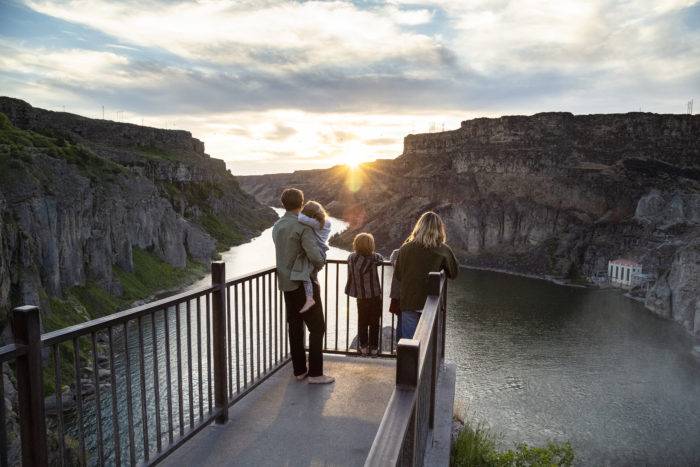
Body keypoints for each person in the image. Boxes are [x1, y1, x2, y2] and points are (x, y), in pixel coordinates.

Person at [272, 188, 334, 384]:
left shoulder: (278, 225)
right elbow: (315, 256)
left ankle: (299, 370)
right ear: (302, 202)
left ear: (284, 204)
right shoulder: (302, 226)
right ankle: (316, 374)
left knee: (295, 326)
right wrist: (321, 260)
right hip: (303, 283)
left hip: (286, 284)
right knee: (317, 328)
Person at [393, 211, 458, 339]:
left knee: (409, 344)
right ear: (439, 230)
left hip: (409, 301)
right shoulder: (444, 250)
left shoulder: (405, 248)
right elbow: (454, 273)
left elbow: (399, 275)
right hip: (431, 304)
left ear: (419, 227)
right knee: (428, 346)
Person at [345, 233, 383, 356]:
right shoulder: (374, 258)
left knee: (362, 321)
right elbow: (380, 258)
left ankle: (363, 347)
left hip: (361, 296)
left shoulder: (351, 257)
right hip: (374, 295)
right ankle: (374, 348)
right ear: (371, 245)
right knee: (374, 322)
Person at [292, 201, 331, 313]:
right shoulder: (326, 222)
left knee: (305, 275)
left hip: (315, 251)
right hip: (322, 252)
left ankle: (309, 299)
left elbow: (300, 218)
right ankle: (312, 293)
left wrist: (300, 211)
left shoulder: (313, 223)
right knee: (312, 275)